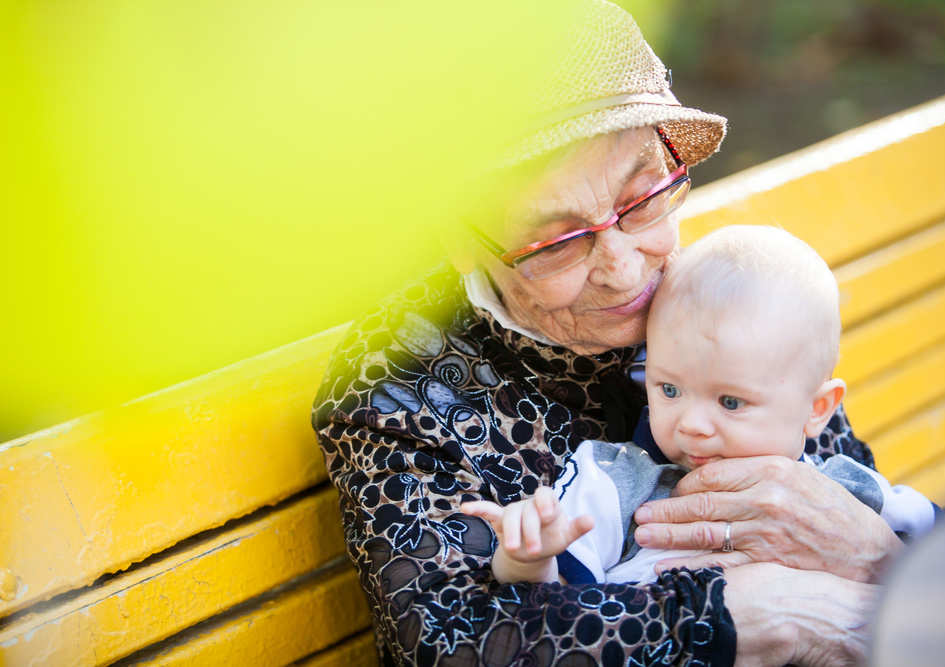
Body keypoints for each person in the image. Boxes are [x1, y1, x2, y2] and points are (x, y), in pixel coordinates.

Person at [312, 2, 903, 665]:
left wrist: (881, 557)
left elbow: (847, 504)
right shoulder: (397, 387)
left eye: (643, 198)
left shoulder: (712, 295)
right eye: (558, 240)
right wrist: (738, 615)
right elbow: (457, 641)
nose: (624, 271)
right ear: (461, 240)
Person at [461, 225, 937, 586]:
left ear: (817, 409)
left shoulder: (841, 494)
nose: (691, 424)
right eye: (668, 389)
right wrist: (527, 556)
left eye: (731, 401)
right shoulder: (618, 482)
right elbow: (555, 598)